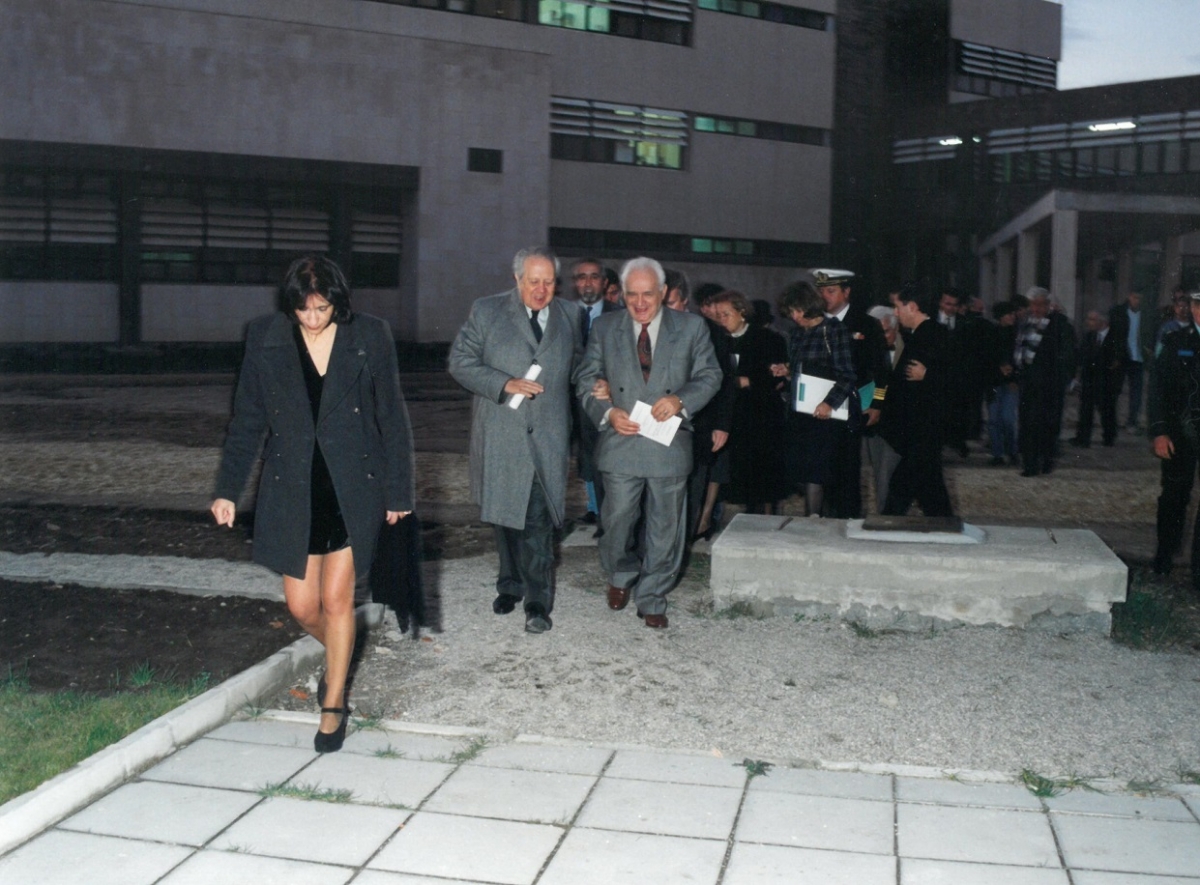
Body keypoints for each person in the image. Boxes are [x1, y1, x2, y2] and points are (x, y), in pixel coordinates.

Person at [211, 255, 415, 753]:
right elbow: (247, 420)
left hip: (353, 485)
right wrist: (227, 489)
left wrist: (398, 492)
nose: (313, 318)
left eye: (322, 308)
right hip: (292, 487)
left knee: (338, 601)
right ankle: (343, 654)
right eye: (304, 310)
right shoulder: (265, 337)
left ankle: (334, 700)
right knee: (303, 606)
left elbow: (392, 414)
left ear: (338, 302)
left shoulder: (370, 335)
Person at [576, 256, 721, 628]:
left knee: (665, 527)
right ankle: (620, 575)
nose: (640, 303)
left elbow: (710, 375)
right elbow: (586, 379)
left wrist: (680, 400)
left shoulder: (691, 328)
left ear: (664, 293)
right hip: (622, 442)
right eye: (631, 295)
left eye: (648, 295)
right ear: (621, 294)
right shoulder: (605, 328)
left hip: (668, 444)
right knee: (616, 521)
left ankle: (653, 594)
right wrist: (607, 412)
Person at [448, 247, 583, 635]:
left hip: (549, 437)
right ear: (517, 280)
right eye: (533, 282)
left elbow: (582, 366)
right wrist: (503, 383)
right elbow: (461, 361)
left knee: (538, 521)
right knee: (505, 515)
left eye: (549, 282)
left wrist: (597, 382)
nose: (541, 290)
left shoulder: (571, 315)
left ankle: (538, 604)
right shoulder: (487, 311)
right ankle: (510, 584)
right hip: (502, 433)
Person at [771, 281, 857, 516]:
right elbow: (805, 369)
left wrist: (830, 402)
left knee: (815, 473)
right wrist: (787, 371)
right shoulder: (797, 333)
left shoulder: (834, 330)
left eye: (798, 310)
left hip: (824, 415)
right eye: (791, 312)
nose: (795, 316)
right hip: (800, 412)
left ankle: (813, 519)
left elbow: (847, 374)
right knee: (799, 470)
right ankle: (822, 516)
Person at [812, 269, 891, 519]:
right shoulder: (814, 321)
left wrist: (877, 403)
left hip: (853, 404)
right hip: (817, 403)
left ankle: (847, 518)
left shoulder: (866, 324)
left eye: (831, 291)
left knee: (847, 466)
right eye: (821, 291)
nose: (825, 297)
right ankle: (821, 516)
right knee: (820, 464)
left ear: (847, 292)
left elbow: (881, 368)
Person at [665, 269, 734, 541]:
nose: (665, 311)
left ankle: (683, 542)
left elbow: (725, 382)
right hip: (656, 425)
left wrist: (722, 424)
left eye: (670, 304)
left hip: (700, 424)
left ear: (684, 301)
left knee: (694, 485)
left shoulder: (712, 333)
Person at [710, 290, 788, 514]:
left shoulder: (768, 339)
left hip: (762, 417)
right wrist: (739, 382)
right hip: (732, 417)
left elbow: (775, 379)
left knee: (764, 479)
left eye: (726, 314)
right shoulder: (715, 340)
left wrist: (747, 381)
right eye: (717, 316)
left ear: (742, 313)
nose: (721, 320)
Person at [879, 283, 954, 517]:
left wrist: (928, 375)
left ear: (912, 307)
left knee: (904, 484)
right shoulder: (920, 335)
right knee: (927, 485)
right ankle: (944, 526)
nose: (896, 312)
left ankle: (888, 526)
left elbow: (959, 377)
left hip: (924, 426)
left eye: (898, 307)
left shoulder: (935, 335)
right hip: (918, 427)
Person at [1148, 290, 1200, 586]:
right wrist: (1159, 431)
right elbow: (1157, 389)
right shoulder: (1176, 341)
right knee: (1174, 497)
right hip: (1180, 433)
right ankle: (1164, 557)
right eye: (1197, 305)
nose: (1198, 311)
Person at [570, 257, 619, 531]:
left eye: (593, 277)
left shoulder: (620, 314)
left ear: (604, 282)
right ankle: (596, 511)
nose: (587, 282)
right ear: (575, 283)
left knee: (608, 458)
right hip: (572, 402)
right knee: (586, 458)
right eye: (582, 277)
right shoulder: (562, 314)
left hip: (607, 400)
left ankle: (610, 518)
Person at [1013, 287, 1076, 476]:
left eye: (1040, 305)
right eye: (1033, 304)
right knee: (1028, 423)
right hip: (1029, 383)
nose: (1036, 309)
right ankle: (1030, 463)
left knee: (1046, 424)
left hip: (1050, 385)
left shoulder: (1060, 324)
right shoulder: (1024, 323)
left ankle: (1045, 459)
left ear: (1048, 305)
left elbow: (1067, 354)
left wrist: (1063, 377)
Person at [863, 302, 903, 510]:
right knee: (879, 472)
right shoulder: (868, 349)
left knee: (888, 472)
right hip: (871, 420)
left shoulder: (906, 350)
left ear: (896, 328)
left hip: (897, 421)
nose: (881, 336)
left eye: (885, 331)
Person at [1070, 310, 1122, 448]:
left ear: (1103, 322)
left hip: (1106, 381)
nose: (1089, 322)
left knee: (1106, 410)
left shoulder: (1114, 337)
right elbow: (1082, 355)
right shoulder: (1089, 336)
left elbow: (1119, 359)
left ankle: (1109, 436)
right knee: (1085, 410)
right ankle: (1083, 438)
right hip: (1089, 379)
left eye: (1092, 320)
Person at [1109, 290, 1151, 432]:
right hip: (1122, 357)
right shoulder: (1119, 312)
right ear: (1129, 296)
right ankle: (1111, 421)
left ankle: (1131, 422)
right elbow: (1113, 334)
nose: (1137, 301)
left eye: (1139, 298)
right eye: (1134, 297)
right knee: (1115, 390)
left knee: (1136, 393)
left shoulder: (1145, 315)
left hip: (1138, 357)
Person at [987, 301, 1020, 467]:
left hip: (1010, 383)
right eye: (1009, 314)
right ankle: (997, 453)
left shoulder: (1017, 335)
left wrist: (1013, 374)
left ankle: (1012, 450)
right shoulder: (991, 333)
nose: (1012, 317)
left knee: (1007, 418)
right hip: (994, 381)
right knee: (994, 420)